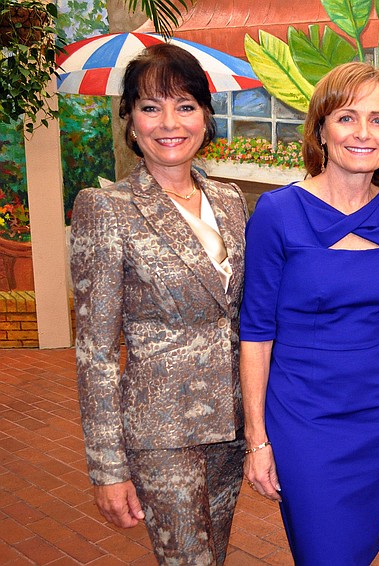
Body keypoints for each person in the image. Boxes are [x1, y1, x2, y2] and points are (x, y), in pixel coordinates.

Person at [70, 44, 248, 565]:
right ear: (130, 122)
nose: (169, 122)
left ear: (205, 117)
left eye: (185, 106)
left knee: (214, 556)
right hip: (161, 433)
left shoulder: (231, 200)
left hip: (231, 426)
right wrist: (108, 466)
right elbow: (96, 352)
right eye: (150, 107)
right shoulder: (106, 209)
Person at [239, 62, 379, 565]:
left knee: (358, 551)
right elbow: (255, 330)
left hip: (375, 414)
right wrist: (257, 439)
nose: (363, 133)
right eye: (347, 117)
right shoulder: (278, 213)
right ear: (320, 127)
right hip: (303, 417)